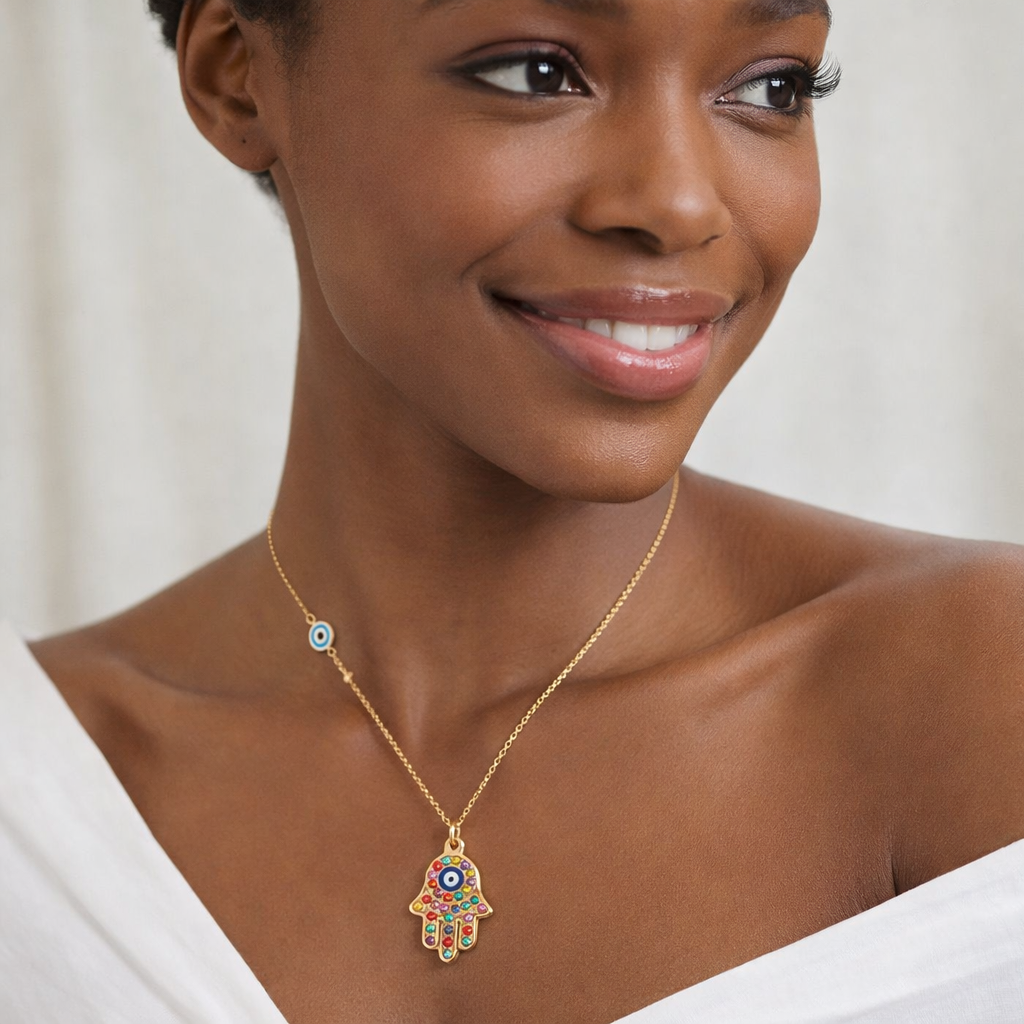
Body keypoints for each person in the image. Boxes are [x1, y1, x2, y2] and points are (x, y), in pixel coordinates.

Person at [1, 0, 1021, 1021]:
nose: (673, 202)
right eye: (535, 73)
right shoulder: (36, 808)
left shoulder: (977, 689)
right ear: (235, 74)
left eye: (770, 88)